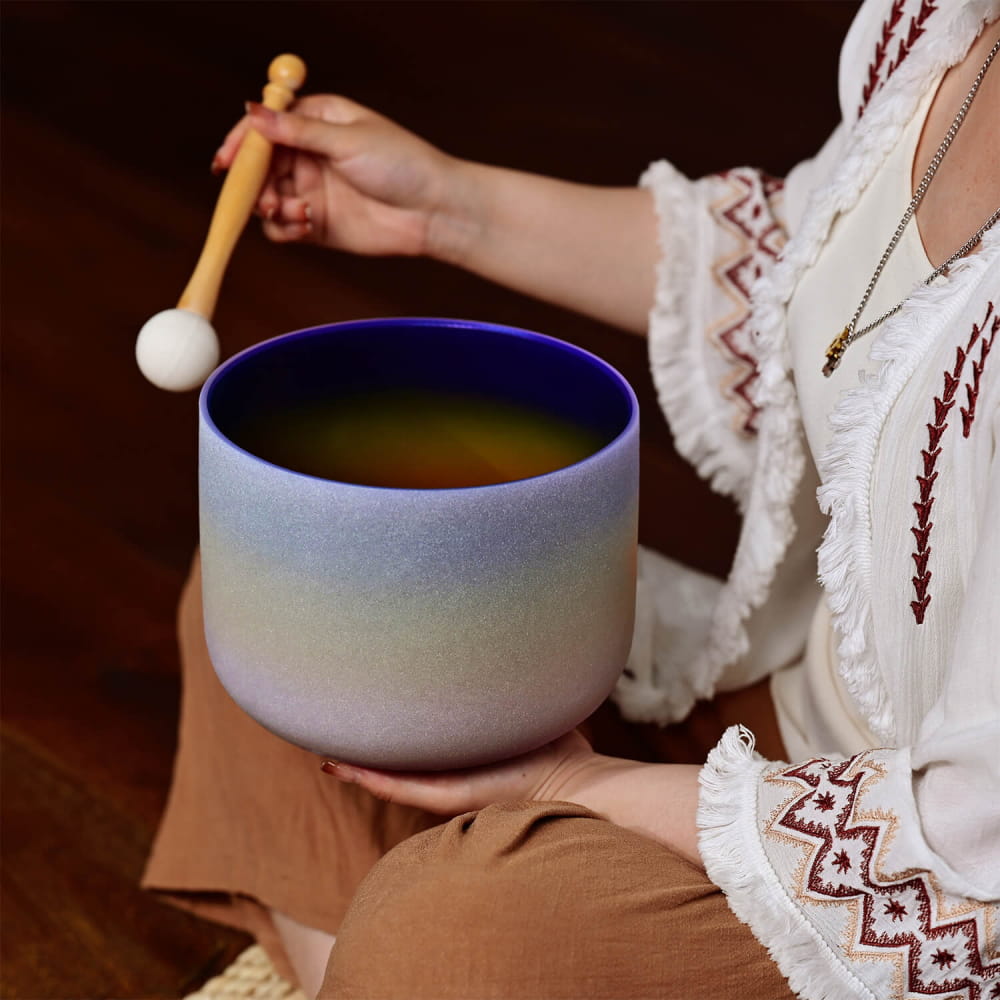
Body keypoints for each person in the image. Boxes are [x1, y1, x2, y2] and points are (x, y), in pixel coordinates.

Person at [143, 1, 1000, 997]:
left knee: (449, 927)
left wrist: (574, 785)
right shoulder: (952, 32)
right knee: (298, 601)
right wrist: (444, 207)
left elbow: (978, 839)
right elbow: (811, 269)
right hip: (784, 735)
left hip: (932, 890)